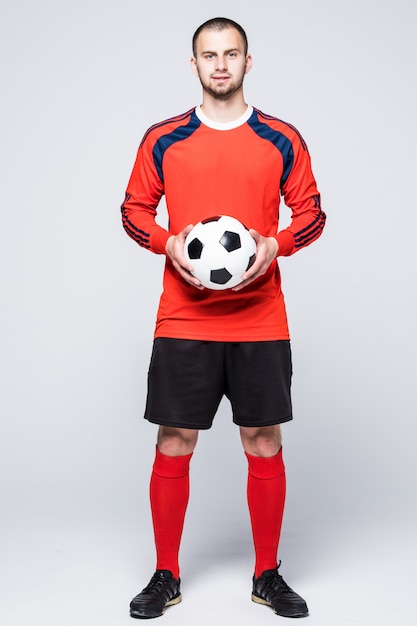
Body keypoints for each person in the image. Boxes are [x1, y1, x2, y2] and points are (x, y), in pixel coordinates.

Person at [121, 17, 325, 620]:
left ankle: (267, 574)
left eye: (230, 54)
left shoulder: (281, 138)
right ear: (193, 66)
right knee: (174, 440)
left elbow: (311, 214)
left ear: (247, 61)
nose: (219, 65)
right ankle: (166, 574)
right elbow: (133, 210)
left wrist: (274, 247)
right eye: (208, 55)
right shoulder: (163, 139)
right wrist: (168, 244)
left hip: (260, 318)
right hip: (184, 318)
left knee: (263, 442)